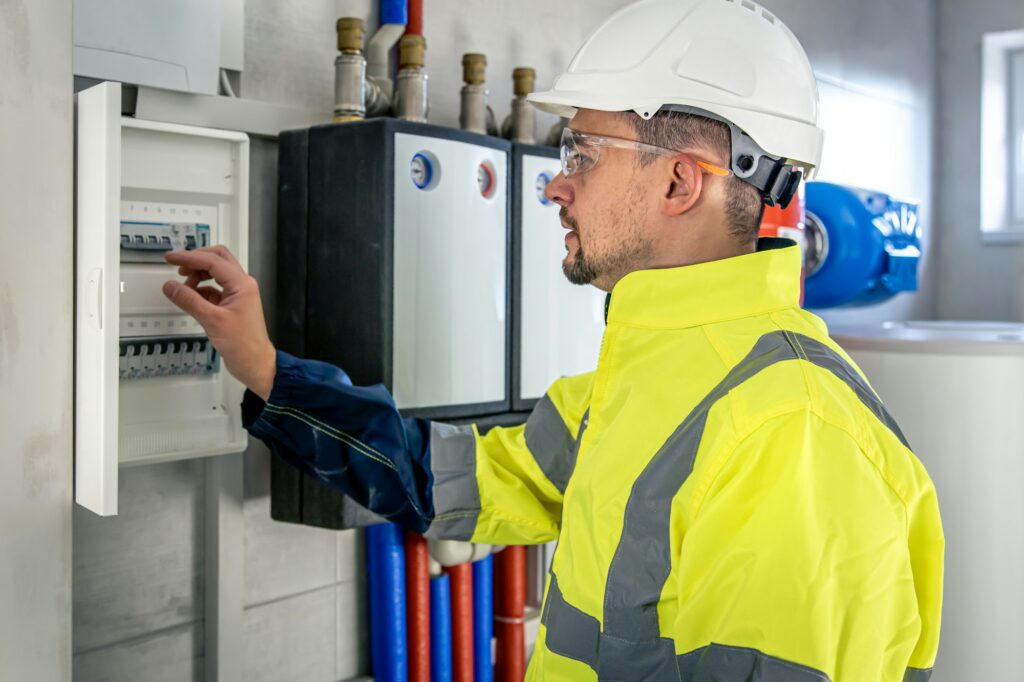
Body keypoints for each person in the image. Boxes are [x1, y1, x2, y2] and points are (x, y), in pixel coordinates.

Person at [162, 0, 943, 679]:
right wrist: (268, 371)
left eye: (582, 155)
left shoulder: (795, 434)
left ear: (681, 181)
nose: (555, 183)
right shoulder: (635, 382)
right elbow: (451, 479)